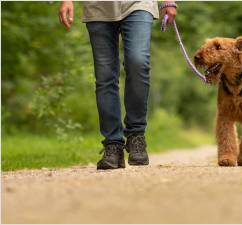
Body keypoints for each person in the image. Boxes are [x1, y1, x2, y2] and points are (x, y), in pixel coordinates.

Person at [59, 1, 177, 170]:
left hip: (138, 4)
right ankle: (113, 145)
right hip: (98, 7)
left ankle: (136, 135)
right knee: (105, 76)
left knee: (138, 62)